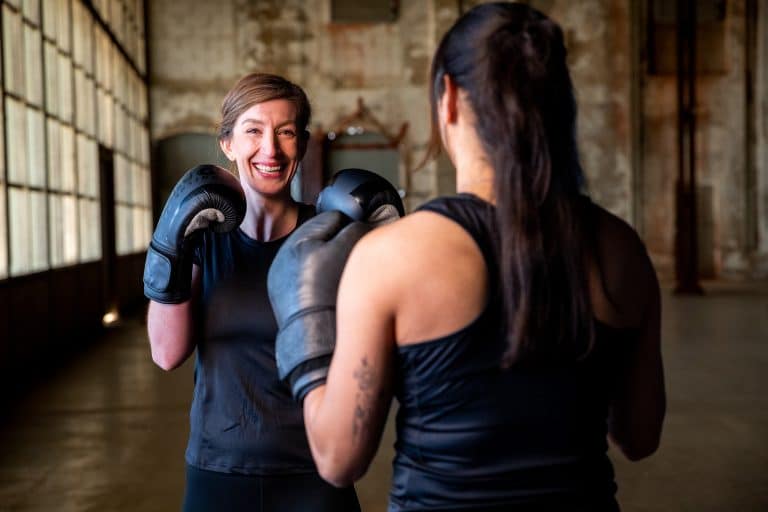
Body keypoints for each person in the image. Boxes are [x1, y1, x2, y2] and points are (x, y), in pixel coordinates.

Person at [267, 3, 666, 511]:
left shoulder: (392, 257)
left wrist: (306, 325)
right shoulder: (621, 247)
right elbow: (639, 435)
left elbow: (337, 458)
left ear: (449, 97)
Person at [143, 72, 362, 511]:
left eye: (285, 133)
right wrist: (171, 243)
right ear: (227, 144)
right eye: (254, 131)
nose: (271, 150)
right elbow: (166, 354)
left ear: (300, 143)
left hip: (317, 470)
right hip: (219, 469)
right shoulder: (199, 237)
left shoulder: (330, 234)